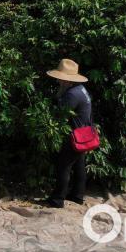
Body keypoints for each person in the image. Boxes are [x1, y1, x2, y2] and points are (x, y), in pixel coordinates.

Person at [44, 58, 92, 208]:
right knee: (78, 165)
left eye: (60, 79)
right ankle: (77, 196)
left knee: (63, 166)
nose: (58, 81)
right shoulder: (81, 89)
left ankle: (57, 199)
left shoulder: (71, 94)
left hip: (74, 135)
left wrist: (57, 98)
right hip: (83, 133)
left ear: (66, 80)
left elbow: (60, 114)